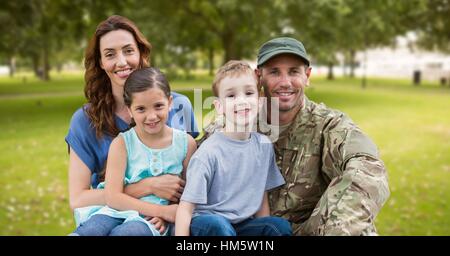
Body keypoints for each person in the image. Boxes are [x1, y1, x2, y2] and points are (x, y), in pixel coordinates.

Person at [200, 37, 390, 235]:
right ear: (259, 77)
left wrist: (336, 229)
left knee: (361, 228)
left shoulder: (328, 125)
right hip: (247, 232)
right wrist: (163, 186)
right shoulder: (234, 124)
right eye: (274, 72)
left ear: (307, 76)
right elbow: (189, 164)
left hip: (311, 231)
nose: (285, 83)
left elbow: (369, 170)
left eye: (294, 72)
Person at [65, 15, 198, 232]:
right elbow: (78, 199)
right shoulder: (84, 120)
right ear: (100, 62)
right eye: (110, 54)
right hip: (109, 216)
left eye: (128, 50)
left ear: (140, 52)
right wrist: (146, 187)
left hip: (165, 224)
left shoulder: (179, 106)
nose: (122, 62)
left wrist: (167, 211)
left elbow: (192, 179)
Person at [175, 60, 292, 236]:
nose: (241, 101)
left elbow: (260, 198)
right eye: (231, 96)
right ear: (219, 106)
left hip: (242, 225)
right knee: (220, 227)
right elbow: (185, 208)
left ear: (259, 100)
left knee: (277, 227)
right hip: (208, 223)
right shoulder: (208, 152)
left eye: (249, 93)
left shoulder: (263, 146)